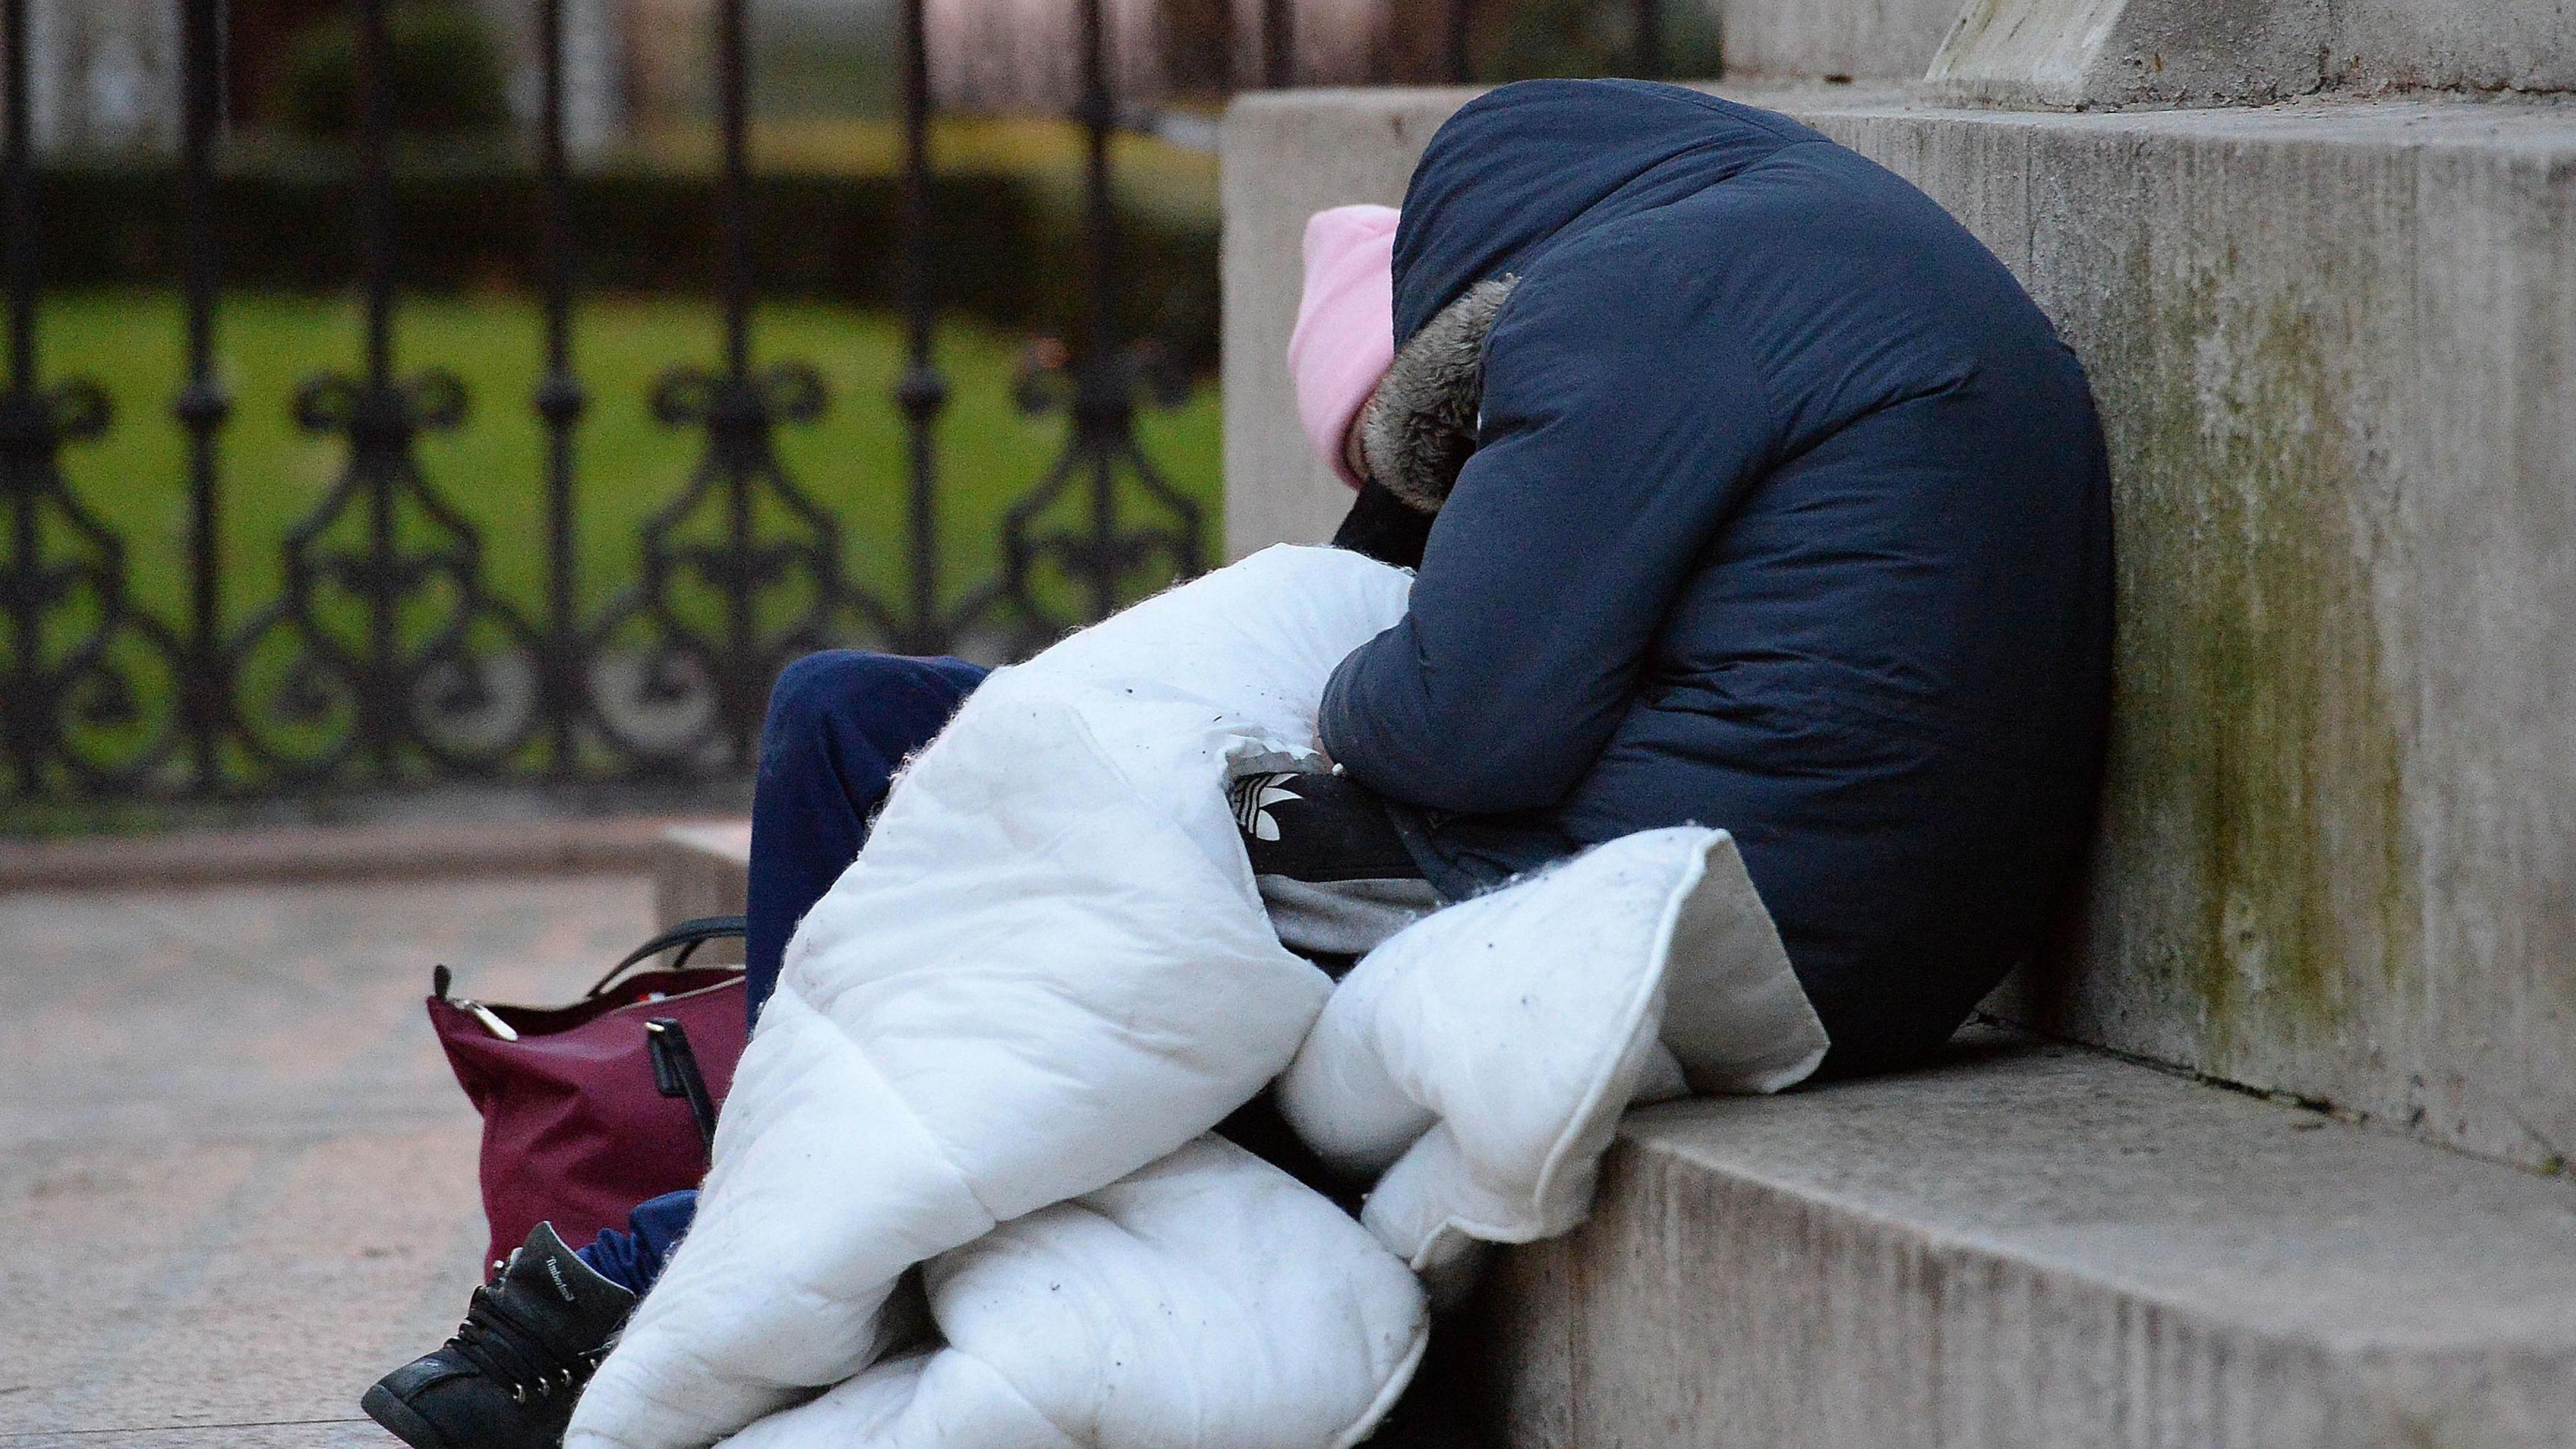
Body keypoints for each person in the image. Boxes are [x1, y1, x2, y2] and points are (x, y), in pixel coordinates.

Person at [364, 76, 2111, 1449]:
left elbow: (1460, 720)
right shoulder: (1771, 254)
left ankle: (662, 1274)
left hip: (1683, 901)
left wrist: (1327, 697)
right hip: (1822, 905)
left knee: (1043, 873)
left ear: (1457, 349)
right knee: (860, 716)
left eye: (1442, 459)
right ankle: (759, 1211)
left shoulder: (1631, 306)